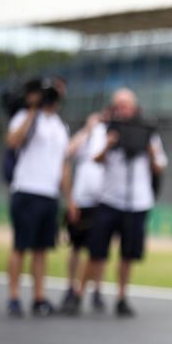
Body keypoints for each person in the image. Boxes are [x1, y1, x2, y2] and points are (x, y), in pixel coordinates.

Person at [70, 88, 167, 317]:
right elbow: (94, 158)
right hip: (109, 199)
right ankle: (79, 294)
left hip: (137, 202)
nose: (123, 109)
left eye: (127, 105)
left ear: (134, 107)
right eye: (119, 105)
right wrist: (108, 144)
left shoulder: (148, 132)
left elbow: (160, 165)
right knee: (96, 251)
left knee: (127, 254)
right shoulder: (106, 130)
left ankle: (122, 297)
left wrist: (150, 152)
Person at [5, 77, 70, 317]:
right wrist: (32, 109)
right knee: (20, 245)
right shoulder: (25, 117)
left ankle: (38, 296)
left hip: (49, 194)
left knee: (42, 248)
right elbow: (12, 142)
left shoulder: (61, 127)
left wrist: (69, 198)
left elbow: (64, 165)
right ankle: (13, 296)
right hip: (26, 190)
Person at [59, 109, 108, 315]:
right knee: (76, 246)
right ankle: (71, 286)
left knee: (99, 250)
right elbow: (67, 152)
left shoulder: (110, 136)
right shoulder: (86, 136)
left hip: (103, 199)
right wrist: (87, 129)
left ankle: (97, 289)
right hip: (81, 200)